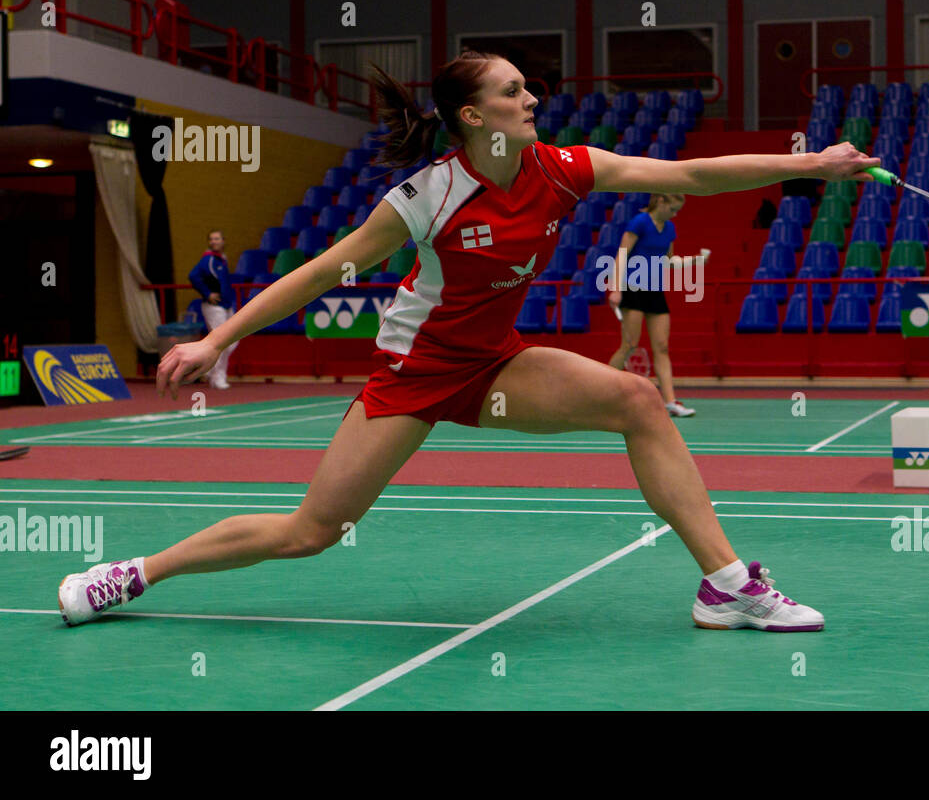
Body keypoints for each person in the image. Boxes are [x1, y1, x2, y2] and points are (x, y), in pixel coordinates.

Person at [58, 51, 880, 633]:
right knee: (312, 531)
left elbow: (691, 177)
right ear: (473, 116)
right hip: (413, 376)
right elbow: (320, 271)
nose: (533, 99)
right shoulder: (427, 196)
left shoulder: (565, 168)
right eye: (514, 90)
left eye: (529, 88)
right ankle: (133, 574)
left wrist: (809, 164)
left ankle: (726, 586)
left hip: (496, 363)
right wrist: (218, 343)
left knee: (636, 399)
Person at [607, 193, 707, 418]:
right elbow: (622, 254)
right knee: (629, 344)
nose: (675, 214)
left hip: (655, 290)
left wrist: (696, 261)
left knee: (661, 346)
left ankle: (670, 402)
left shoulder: (669, 228)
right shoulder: (639, 222)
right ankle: (600, 394)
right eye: (673, 209)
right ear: (660, 201)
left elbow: (670, 260)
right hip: (632, 287)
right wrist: (615, 288)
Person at [187, 229, 239, 389]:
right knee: (222, 342)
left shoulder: (222, 259)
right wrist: (207, 293)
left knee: (234, 340)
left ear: (223, 241)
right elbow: (193, 276)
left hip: (226, 305)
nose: (214, 242)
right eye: (211, 239)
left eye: (217, 239)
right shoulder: (208, 260)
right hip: (214, 306)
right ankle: (217, 377)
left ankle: (209, 369)